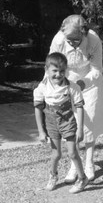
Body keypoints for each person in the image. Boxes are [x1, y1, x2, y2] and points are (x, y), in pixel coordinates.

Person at [49, 14, 103, 182]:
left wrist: (83, 83)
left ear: (84, 34)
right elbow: (52, 65)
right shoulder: (59, 40)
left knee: (89, 122)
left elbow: (97, 69)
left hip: (90, 83)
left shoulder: (93, 40)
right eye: (69, 41)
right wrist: (49, 85)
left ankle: (89, 162)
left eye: (76, 40)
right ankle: (74, 165)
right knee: (72, 124)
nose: (72, 44)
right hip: (67, 82)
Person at [33, 52, 89, 194]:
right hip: (51, 122)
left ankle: (82, 178)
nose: (58, 74)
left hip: (68, 121)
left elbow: (79, 107)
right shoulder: (42, 87)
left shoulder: (72, 87)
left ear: (66, 71)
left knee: (72, 153)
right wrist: (41, 131)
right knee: (56, 154)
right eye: (54, 71)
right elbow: (38, 109)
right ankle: (53, 175)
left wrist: (80, 129)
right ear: (46, 70)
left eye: (62, 71)